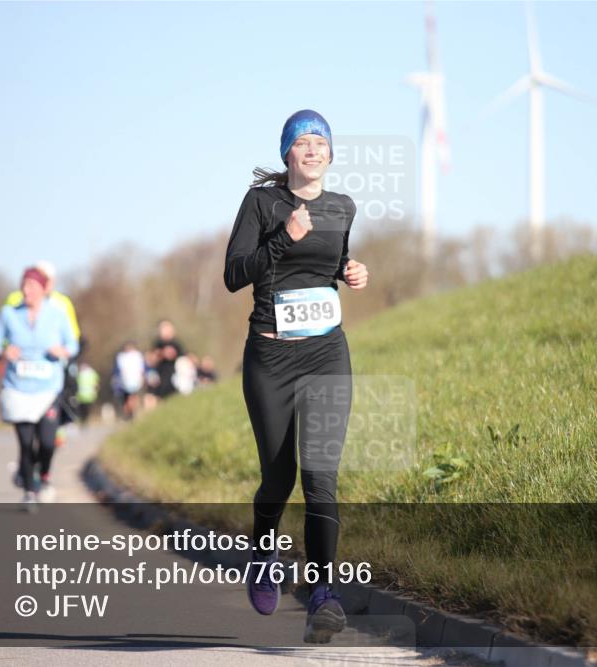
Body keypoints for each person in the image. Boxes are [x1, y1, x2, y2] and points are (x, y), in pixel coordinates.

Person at [224, 109, 368, 643]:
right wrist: (283, 236)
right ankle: (263, 553)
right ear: (287, 153)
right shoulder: (262, 203)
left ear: (331, 153)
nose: (312, 150)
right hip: (271, 359)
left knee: (321, 476)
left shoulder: (342, 207)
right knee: (279, 476)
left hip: (326, 354)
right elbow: (233, 274)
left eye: (320, 143)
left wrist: (349, 272)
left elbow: (329, 264)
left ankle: (324, 594)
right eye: (302, 142)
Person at [0, 267, 78, 507]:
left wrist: (62, 351)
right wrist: (4, 351)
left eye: (32, 286)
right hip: (18, 388)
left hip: (48, 388)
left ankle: (43, 474)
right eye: (24, 285)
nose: (26, 290)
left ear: (44, 289)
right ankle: (29, 490)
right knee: (26, 443)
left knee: (47, 441)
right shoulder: (8, 314)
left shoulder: (58, 314)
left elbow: (73, 344)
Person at [114, 341, 145, 420]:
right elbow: (118, 370)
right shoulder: (121, 357)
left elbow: (142, 369)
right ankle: (128, 414)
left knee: (133, 398)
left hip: (135, 381)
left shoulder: (137, 356)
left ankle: (133, 413)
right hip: (125, 382)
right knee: (127, 399)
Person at [75, 359, 99, 426]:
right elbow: (96, 384)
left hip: (83, 396)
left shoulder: (80, 373)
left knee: (83, 410)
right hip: (87, 396)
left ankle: (84, 422)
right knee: (86, 411)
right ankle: (85, 422)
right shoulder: (91, 373)